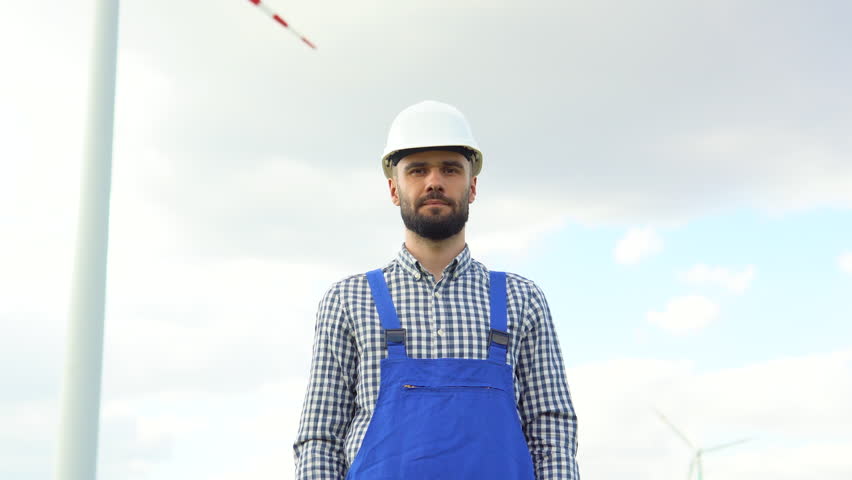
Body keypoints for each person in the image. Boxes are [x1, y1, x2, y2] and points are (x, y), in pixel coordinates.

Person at [293, 100, 579, 479]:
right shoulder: (348, 301)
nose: (434, 182)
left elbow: (552, 430)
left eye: (450, 169)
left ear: (472, 186)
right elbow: (320, 439)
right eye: (417, 170)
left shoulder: (521, 299)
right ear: (394, 189)